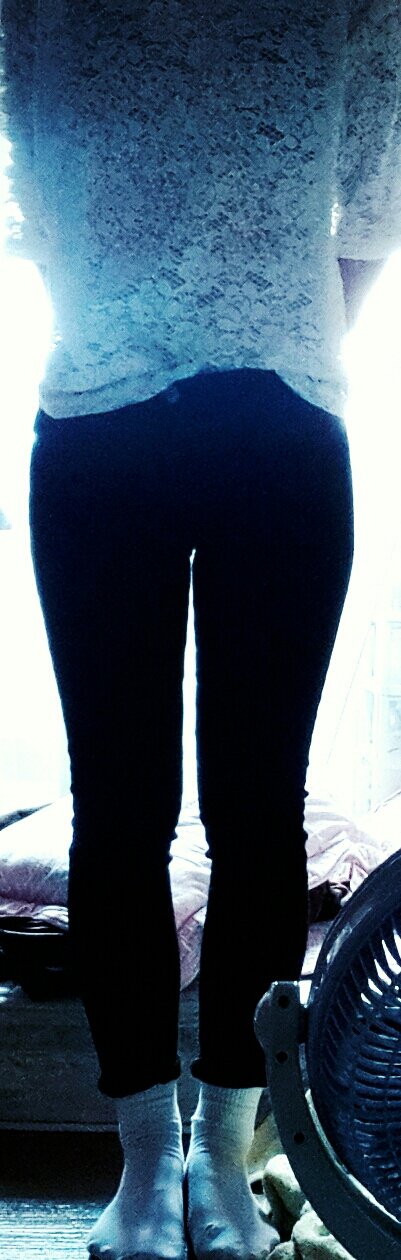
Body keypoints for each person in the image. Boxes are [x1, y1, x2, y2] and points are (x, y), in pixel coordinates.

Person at [1, 3, 400, 1259]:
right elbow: (33, 199)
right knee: (117, 813)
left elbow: (370, 207)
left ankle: (221, 1158)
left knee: (257, 814)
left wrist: (265, 355)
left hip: (279, 431)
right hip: (94, 428)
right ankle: (141, 1169)